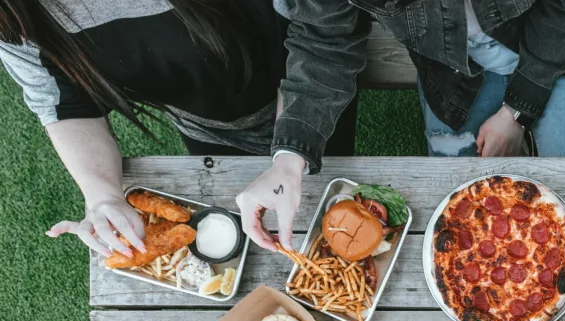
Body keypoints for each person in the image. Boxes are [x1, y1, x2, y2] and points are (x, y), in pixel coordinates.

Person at [237, 0, 565, 252]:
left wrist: (516, 113)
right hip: (454, 76)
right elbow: (323, 40)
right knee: (461, 226)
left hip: (555, 54)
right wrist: (288, 159)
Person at [0, 0, 357, 258]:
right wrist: (102, 195)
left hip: (307, 94)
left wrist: (291, 155)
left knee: (330, 215)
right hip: (203, 125)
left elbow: (325, 32)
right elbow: (63, 100)